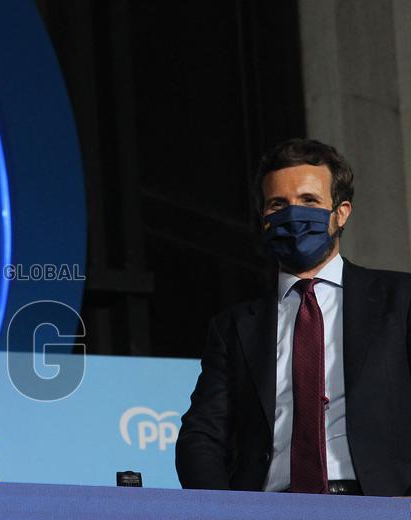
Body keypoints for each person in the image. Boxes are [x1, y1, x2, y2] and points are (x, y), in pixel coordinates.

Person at [176, 138, 411, 496]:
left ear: (342, 211)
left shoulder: (401, 299)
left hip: (382, 511)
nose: (293, 214)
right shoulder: (235, 327)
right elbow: (202, 435)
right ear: (263, 219)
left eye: (309, 201)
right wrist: (221, 517)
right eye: (278, 204)